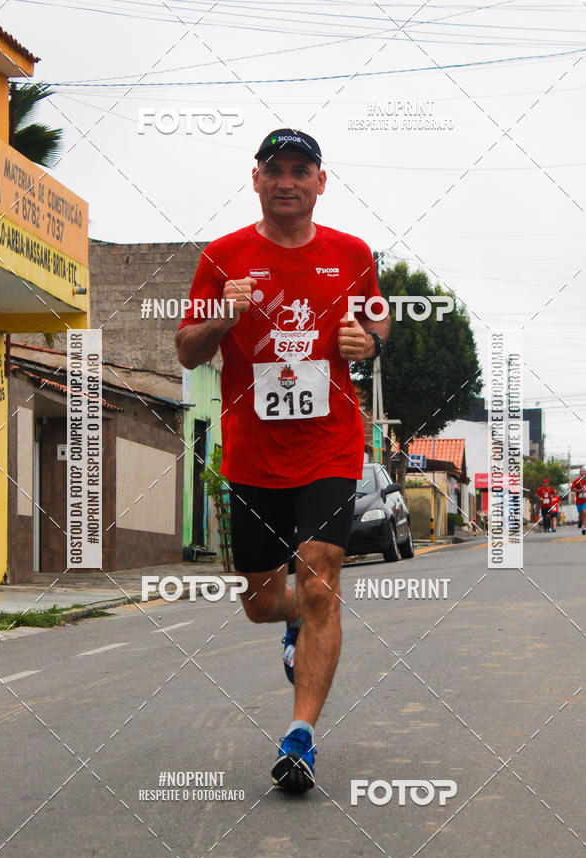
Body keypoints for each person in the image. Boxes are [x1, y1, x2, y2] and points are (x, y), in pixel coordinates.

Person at [175, 129, 389, 793]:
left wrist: (367, 342)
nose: (288, 181)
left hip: (329, 442)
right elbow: (186, 350)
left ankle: (301, 737)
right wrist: (223, 321)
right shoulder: (223, 257)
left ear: (321, 181)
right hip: (253, 453)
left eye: (301, 170)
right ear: (257, 180)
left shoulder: (352, 255)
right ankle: (289, 620)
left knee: (321, 577)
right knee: (262, 601)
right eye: (276, 171)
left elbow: (378, 325)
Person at [571, 467, 586, 535]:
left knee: (585, 512)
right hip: (579, 501)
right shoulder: (577, 481)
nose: (582, 473)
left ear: (585, 473)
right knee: (581, 513)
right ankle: (580, 520)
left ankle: (584, 528)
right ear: (579, 473)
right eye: (581, 472)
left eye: (583, 472)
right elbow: (572, 489)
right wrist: (579, 491)